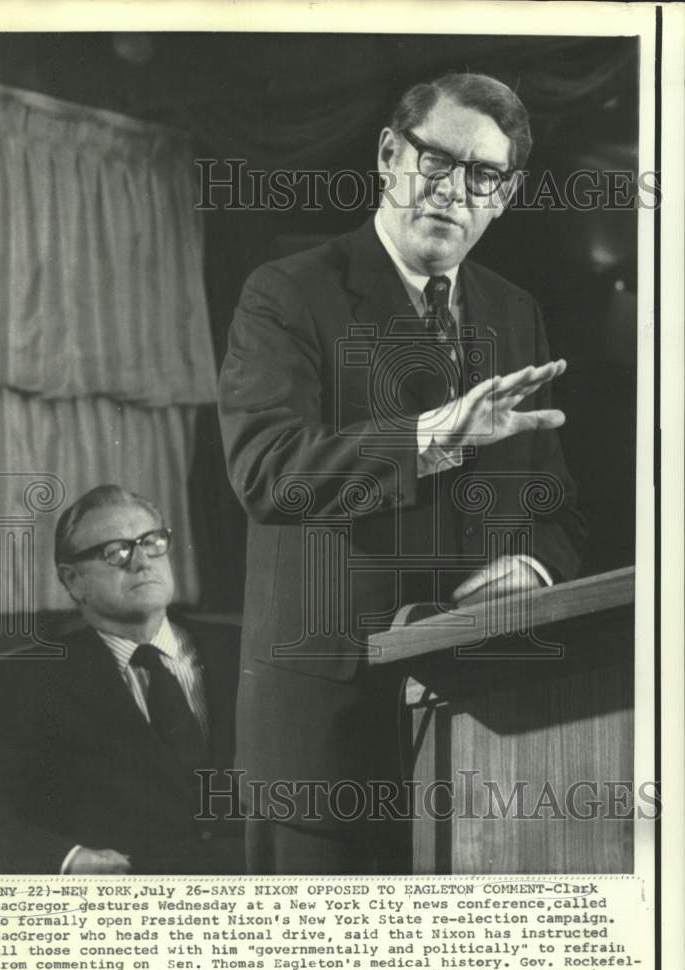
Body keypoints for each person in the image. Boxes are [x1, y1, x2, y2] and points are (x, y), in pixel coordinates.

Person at [217, 73, 586, 874]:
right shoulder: (286, 293)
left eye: (482, 175)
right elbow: (267, 469)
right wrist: (430, 436)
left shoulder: (515, 312)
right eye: (435, 160)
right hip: (325, 743)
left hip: (485, 737)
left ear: (505, 196)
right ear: (389, 155)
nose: (453, 190)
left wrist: (529, 568)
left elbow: (556, 510)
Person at [0, 484, 241, 874]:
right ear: (72, 580)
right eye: (116, 552)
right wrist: (68, 859)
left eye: (151, 542)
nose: (142, 562)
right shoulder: (31, 680)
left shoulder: (241, 651)